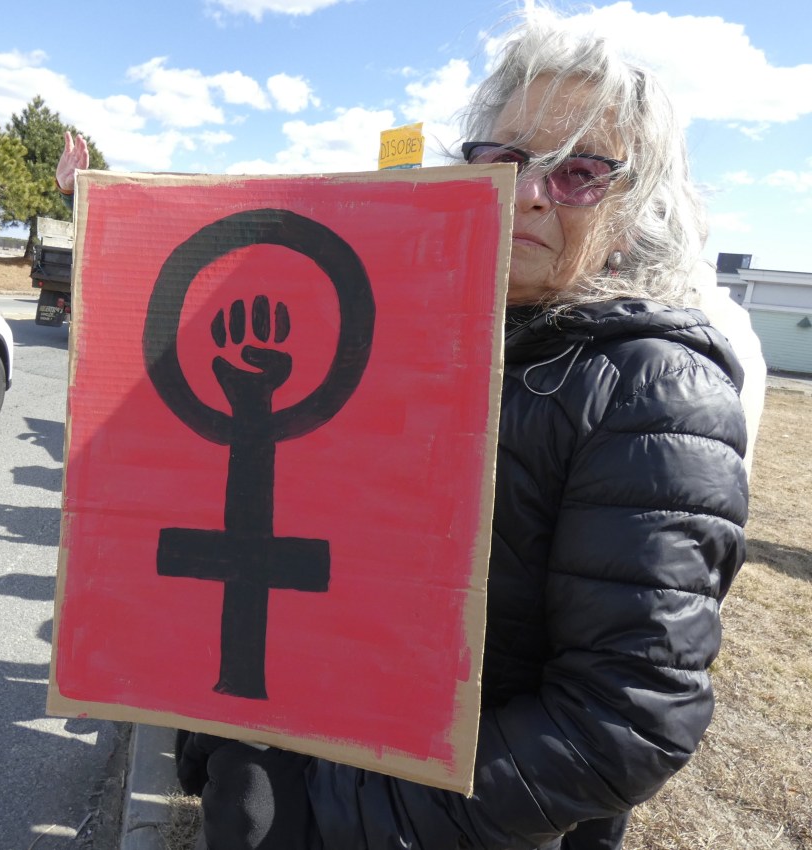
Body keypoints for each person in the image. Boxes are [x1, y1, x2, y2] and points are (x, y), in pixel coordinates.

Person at [59, 9, 749, 847]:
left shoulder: (657, 392)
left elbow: (626, 718)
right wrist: (230, 720)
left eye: (579, 173)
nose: (531, 191)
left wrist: (344, 811)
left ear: (633, 210)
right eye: (507, 159)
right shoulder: (419, 337)